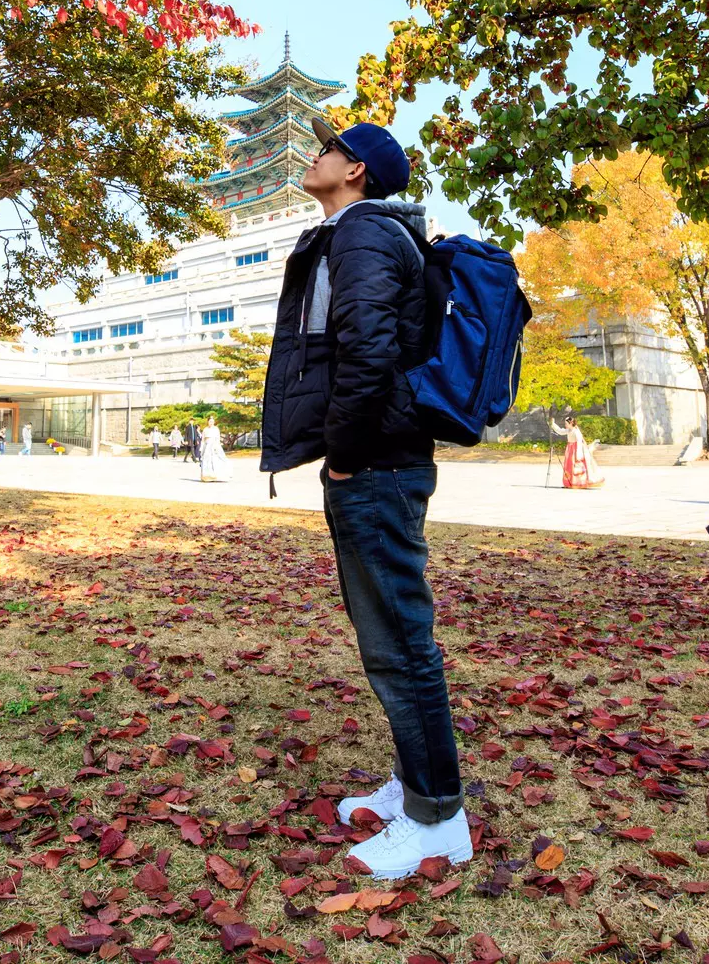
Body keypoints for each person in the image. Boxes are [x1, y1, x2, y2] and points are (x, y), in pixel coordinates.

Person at [257, 116, 469, 879]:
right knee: (386, 641)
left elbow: (370, 352)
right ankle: (418, 785)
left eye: (329, 148)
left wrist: (342, 457)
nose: (315, 155)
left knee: (401, 644)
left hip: (375, 465)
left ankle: (439, 818)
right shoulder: (361, 232)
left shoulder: (363, 233)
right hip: (378, 462)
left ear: (356, 172)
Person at [560, 413, 604, 489]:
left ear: (570, 423)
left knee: (577, 467)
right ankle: (570, 482)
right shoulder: (569, 430)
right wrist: (553, 425)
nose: (565, 425)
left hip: (576, 450)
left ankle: (580, 482)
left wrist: (579, 454)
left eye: (566, 423)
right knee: (569, 466)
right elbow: (560, 431)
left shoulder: (576, 431)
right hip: (570, 450)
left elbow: (579, 442)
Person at [197, 413, 229, 482]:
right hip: (207, 446)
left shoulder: (216, 429)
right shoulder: (205, 429)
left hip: (214, 445)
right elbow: (203, 440)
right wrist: (201, 448)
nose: (211, 423)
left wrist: (217, 446)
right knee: (207, 461)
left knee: (216, 460)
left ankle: (216, 475)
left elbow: (217, 438)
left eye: (212, 421)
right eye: (210, 421)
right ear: (207, 422)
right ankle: (207, 476)